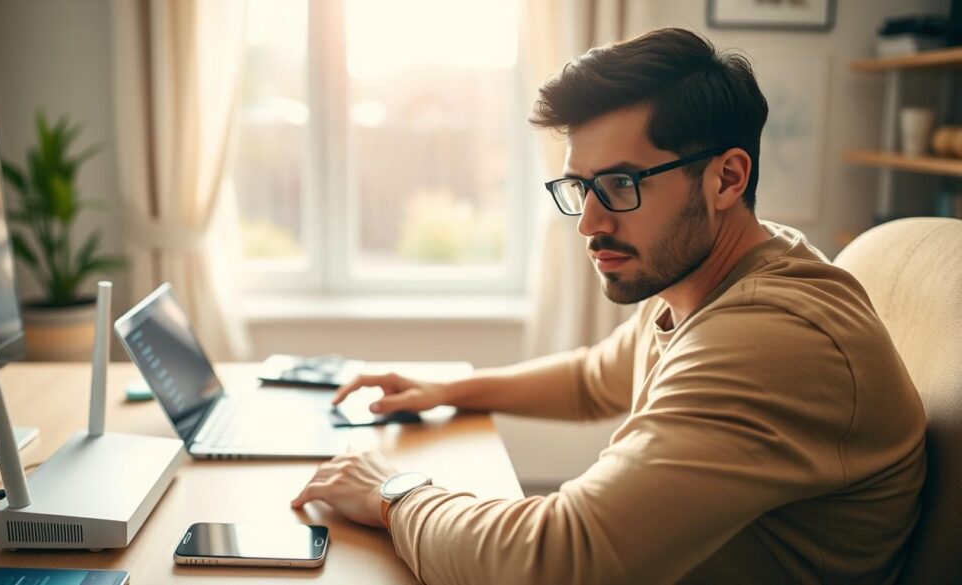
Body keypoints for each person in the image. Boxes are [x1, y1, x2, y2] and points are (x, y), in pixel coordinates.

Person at [290, 28, 926, 584]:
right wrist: (448, 388)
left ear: (727, 178)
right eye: (579, 187)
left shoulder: (773, 338)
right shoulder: (706, 275)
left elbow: (558, 563)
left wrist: (391, 492)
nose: (588, 222)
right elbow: (597, 377)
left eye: (619, 185)